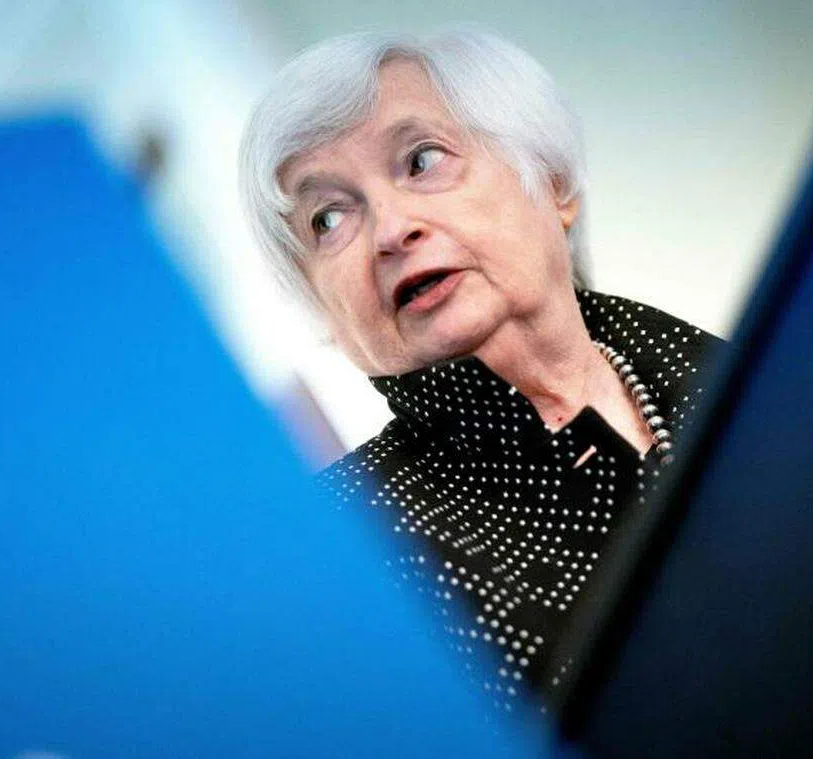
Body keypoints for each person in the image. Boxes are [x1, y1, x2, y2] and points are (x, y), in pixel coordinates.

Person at [238, 28, 722, 712]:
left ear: (552, 184)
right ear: (325, 313)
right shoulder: (330, 551)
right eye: (328, 219)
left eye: (422, 160)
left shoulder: (744, 373)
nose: (391, 230)